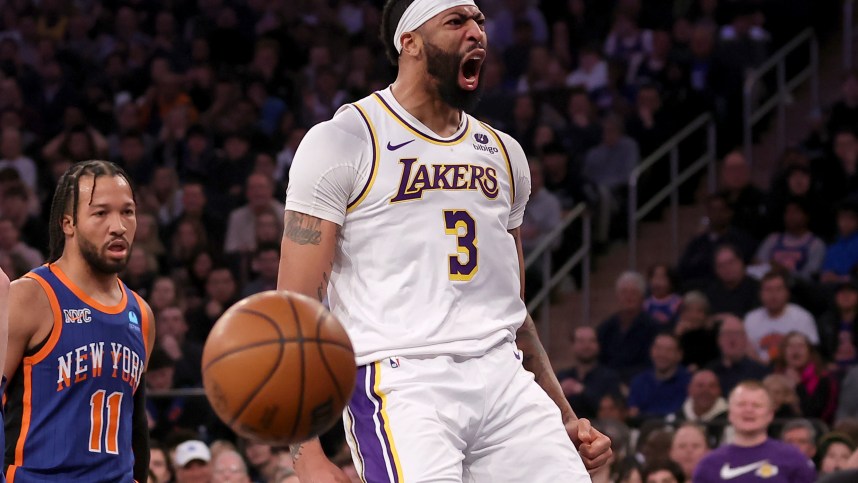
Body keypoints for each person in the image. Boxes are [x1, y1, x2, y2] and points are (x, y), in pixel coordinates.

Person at [278, 1, 612, 481]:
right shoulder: (345, 139)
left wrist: (563, 414)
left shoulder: (503, 153)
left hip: (504, 376)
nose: (476, 32)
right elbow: (294, 303)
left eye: (479, 21)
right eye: (456, 21)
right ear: (408, 42)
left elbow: (512, 308)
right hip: (402, 380)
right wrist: (303, 451)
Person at [3, 160, 155, 482]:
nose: (119, 226)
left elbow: (136, 430)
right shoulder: (31, 298)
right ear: (68, 223)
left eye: (127, 212)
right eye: (101, 213)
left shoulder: (141, 314)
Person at [693, 381, 816, 482]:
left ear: (770, 414)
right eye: (741, 404)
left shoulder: (794, 459)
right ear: (730, 413)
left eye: (756, 405)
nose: (748, 410)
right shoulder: (708, 464)